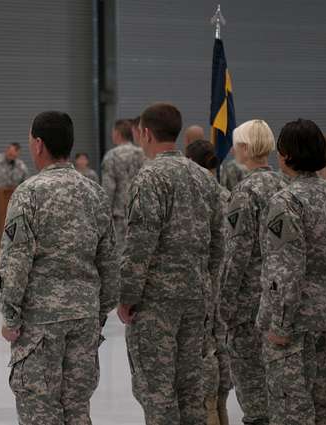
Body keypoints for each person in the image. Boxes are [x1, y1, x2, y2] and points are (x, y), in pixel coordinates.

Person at [0, 111, 118, 425]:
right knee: (77, 410)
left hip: (41, 323)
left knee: (40, 411)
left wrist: (10, 317)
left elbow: (15, 262)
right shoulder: (95, 193)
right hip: (85, 316)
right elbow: (109, 261)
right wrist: (98, 311)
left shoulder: (28, 193)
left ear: (38, 144)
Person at [117, 103, 224, 424]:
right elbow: (219, 241)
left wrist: (127, 297)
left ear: (145, 133)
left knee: (158, 390)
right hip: (196, 297)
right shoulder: (203, 177)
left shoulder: (148, 178)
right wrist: (208, 284)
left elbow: (139, 245)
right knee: (191, 387)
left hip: (156, 303)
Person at [257, 119, 326, 425]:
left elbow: (287, 269)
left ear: (285, 154)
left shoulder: (286, 201)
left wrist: (281, 325)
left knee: (292, 412)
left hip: (297, 324)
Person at [218, 119, 286, 425]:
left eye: (236, 143)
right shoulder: (286, 184)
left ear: (245, 147)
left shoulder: (245, 192)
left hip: (249, 303)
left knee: (252, 384)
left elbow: (236, 254)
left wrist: (226, 300)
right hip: (283, 297)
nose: (233, 149)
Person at [186, 139, 233, 425]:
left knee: (203, 365)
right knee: (220, 359)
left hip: (201, 290)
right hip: (225, 291)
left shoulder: (195, 199)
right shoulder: (228, 196)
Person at [101, 118, 145, 251]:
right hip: (140, 211)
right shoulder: (142, 154)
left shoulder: (112, 156)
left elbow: (108, 188)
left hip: (119, 215)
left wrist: (104, 215)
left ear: (117, 133)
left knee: (119, 252)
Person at [0, 143, 29, 273]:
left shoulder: (21, 166)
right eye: (9, 153)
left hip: (13, 199)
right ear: (6, 151)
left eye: (14, 154)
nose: (11, 156)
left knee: (15, 230)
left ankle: (13, 264)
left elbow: (26, 182)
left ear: (17, 154)